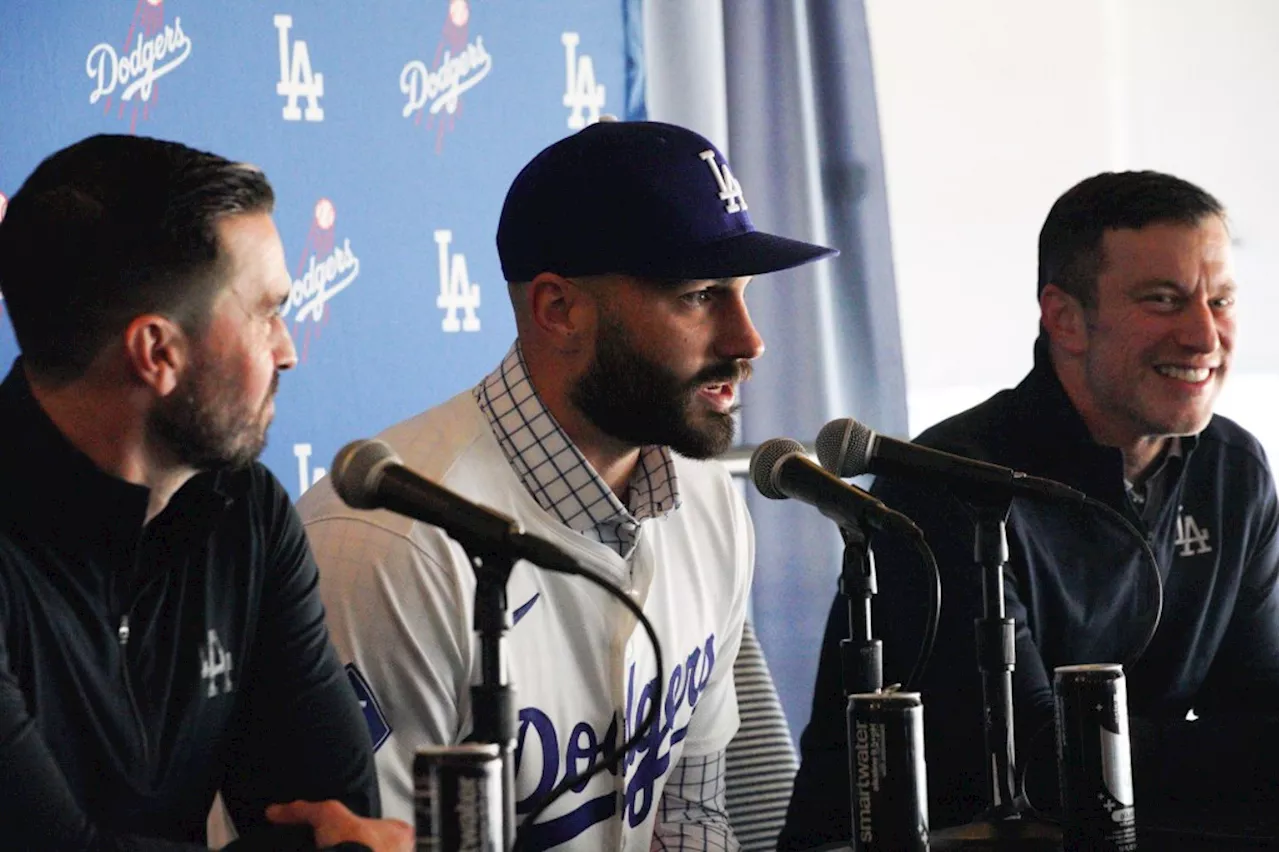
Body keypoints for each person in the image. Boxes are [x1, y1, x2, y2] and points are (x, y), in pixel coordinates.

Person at [299, 119, 837, 849]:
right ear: (559, 310)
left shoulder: (708, 500)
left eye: (741, 293)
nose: (748, 341)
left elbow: (690, 816)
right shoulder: (385, 545)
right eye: (700, 296)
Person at [781, 170, 1280, 848]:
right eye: (1163, 300)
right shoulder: (951, 485)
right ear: (1065, 318)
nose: (1203, 335)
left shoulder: (1234, 469)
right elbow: (1039, 767)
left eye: (1220, 300)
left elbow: (1258, 716)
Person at [0, 134, 412, 851]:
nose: (288, 349)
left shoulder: (244, 512)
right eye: (266, 313)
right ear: (157, 353)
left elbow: (335, 820)